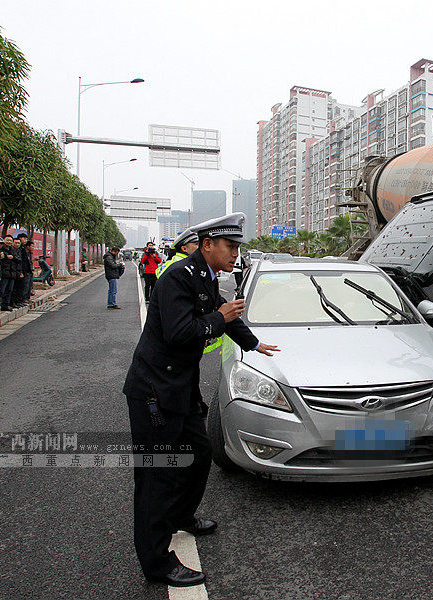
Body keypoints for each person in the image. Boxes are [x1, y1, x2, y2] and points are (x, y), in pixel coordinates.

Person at [122, 213, 279, 587]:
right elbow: (181, 333)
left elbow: (228, 313)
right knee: (156, 475)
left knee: (200, 451)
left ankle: (180, 516)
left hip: (180, 389)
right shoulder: (177, 277)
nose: (235, 253)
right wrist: (219, 318)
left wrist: (255, 344)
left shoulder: (205, 278)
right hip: (154, 392)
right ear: (208, 244)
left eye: (238, 247)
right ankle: (157, 562)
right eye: (230, 246)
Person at [0, 235, 18, 312]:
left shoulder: (13, 250)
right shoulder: (1, 250)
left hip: (12, 273)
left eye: (11, 240)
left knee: (9, 290)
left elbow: (18, 259)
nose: (9, 242)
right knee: (1, 290)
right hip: (4, 273)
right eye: (7, 240)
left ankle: (5, 305)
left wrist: (12, 257)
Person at [12, 233, 33, 307]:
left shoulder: (23, 248)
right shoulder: (17, 249)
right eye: (24, 238)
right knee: (17, 287)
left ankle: (21, 300)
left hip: (24, 270)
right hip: (17, 271)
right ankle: (16, 301)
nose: (25, 240)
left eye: (26, 239)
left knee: (23, 286)